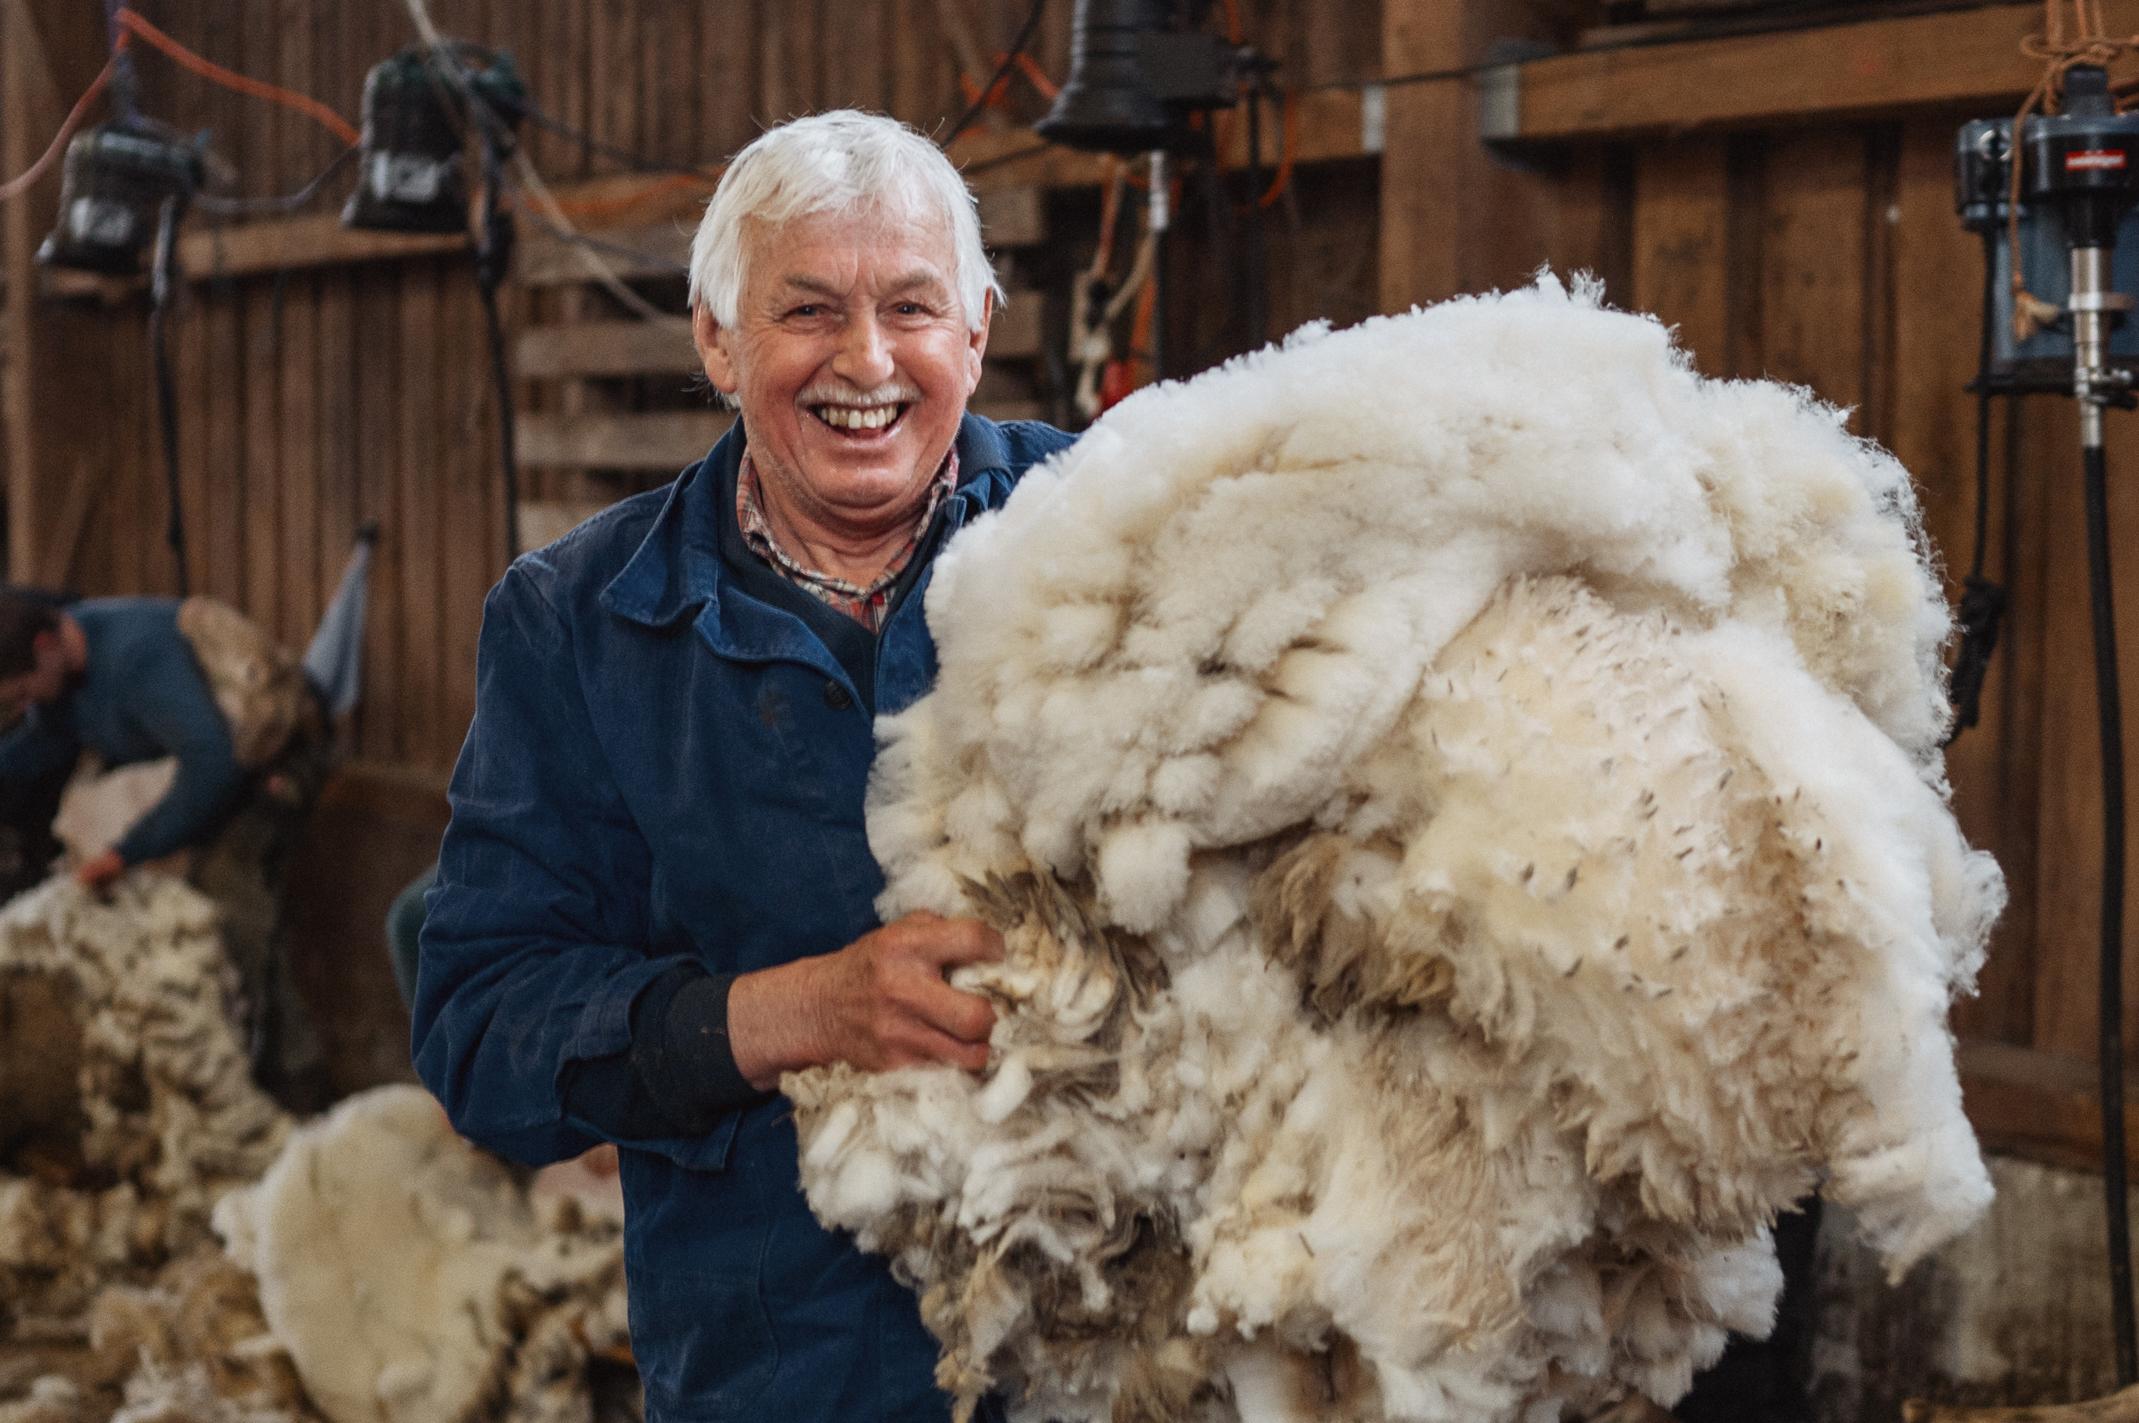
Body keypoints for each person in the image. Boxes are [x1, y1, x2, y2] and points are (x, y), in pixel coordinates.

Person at [412, 110, 1078, 1423]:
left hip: (1119, 1358)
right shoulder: (578, 621)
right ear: (715, 338)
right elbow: (479, 1027)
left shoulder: (1117, 537)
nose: (868, 360)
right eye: (809, 310)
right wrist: (801, 1013)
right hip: (785, 1363)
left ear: (978, 329)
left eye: (911, 306)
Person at [0, 592, 246, 891]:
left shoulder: (134, 655)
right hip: (165, 763)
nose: (24, 707)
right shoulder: (61, 661)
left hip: (237, 769)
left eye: (24, 692)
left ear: (45, 645)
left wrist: (127, 853)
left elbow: (213, 760)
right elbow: (49, 739)